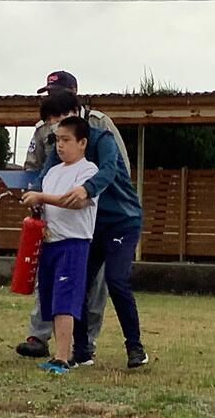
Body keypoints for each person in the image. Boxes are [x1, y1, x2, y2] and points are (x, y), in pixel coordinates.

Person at [25, 91, 148, 369]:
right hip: (86, 229)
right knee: (77, 285)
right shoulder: (59, 148)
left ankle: (135, 347)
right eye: (51, 123)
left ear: (74, 112)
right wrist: (35, 196)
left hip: (120, 221)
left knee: (116, 280)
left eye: (59, 119)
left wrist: (87, 189)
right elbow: (45, 176)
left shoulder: (101, 138)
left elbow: (109, 171)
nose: (56, 129)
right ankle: (81, 351)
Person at [22, 116, 99, 374]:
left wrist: (42, 197)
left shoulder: (88, 171)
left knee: (65, 300)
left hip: (73, 243)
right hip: (50, 243)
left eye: (66, 140)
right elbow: (47, 205)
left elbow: (74, 201)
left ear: (82, 142)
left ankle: (63, 357)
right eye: (57, 140)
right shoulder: (52, 172)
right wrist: (37, 207)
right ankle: (59, 352)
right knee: (51, 299)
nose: (60, 146)